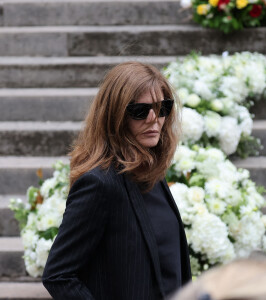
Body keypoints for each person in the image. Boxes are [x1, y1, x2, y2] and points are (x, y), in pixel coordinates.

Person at [42, 61, 192, 300]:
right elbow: (58, 275)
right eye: (140, 111)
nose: (154, 119)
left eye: (162, 108)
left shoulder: (151, 173)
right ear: (115, 115)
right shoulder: (99, 184)